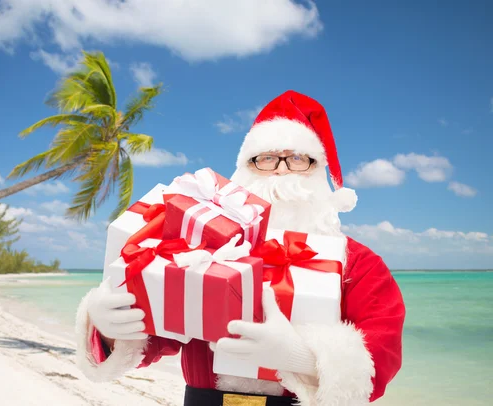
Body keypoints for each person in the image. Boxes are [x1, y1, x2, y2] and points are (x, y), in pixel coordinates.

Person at [75, 90, 406, 406]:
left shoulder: (358, 262)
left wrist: (299, 357)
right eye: (266, 158)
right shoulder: (200, 247)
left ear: (319, 171)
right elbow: (159, 330)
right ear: (243, 170)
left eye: (297, 159)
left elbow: (383, 352)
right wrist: (108, 327)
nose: (280, 170)